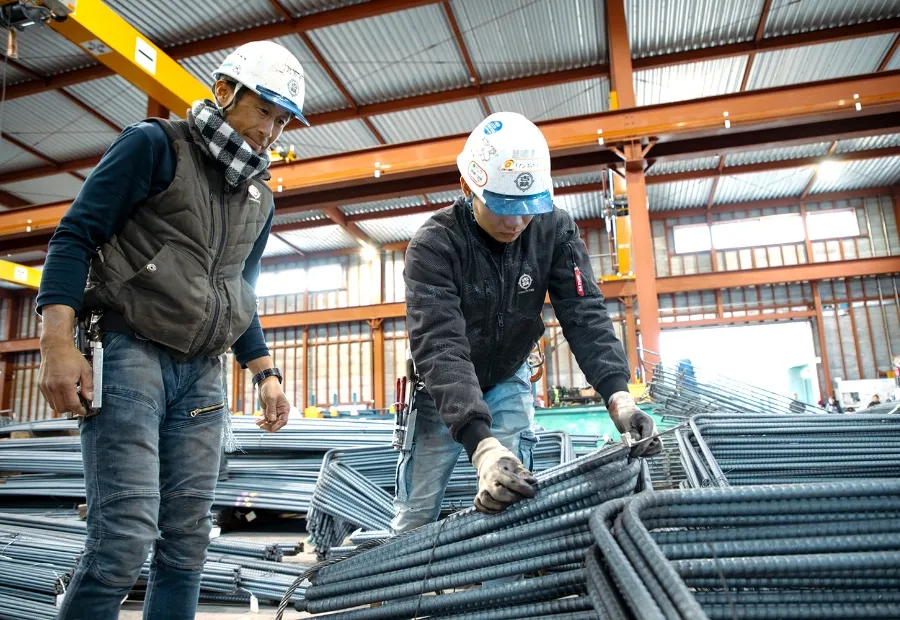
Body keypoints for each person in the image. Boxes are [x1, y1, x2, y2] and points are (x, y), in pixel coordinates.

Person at [35, 41, 305, 619]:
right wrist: (57, 340)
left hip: (203, 377)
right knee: (124, 539)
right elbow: (74, 237)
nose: (271, 131)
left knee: (186, 543)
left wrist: (266, 373)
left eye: (282, 120)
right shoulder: (155, 145)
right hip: (132, 352)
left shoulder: (259, 197)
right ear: (225, 91)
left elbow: (239, 293)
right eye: (264, 110)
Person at [395, 112, 662, 534]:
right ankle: (400, 589)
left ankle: (497, 593)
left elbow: (584, 314)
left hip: (509, 375)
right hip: (442, 387)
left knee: (512, 500)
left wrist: (619, 397)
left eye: (527, 209)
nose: (515, 223)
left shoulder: (554, 229)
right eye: (502, 207)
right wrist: (481, 447)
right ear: (468, 187)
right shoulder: (434, 245)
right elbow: (440, 342)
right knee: (419, 508)